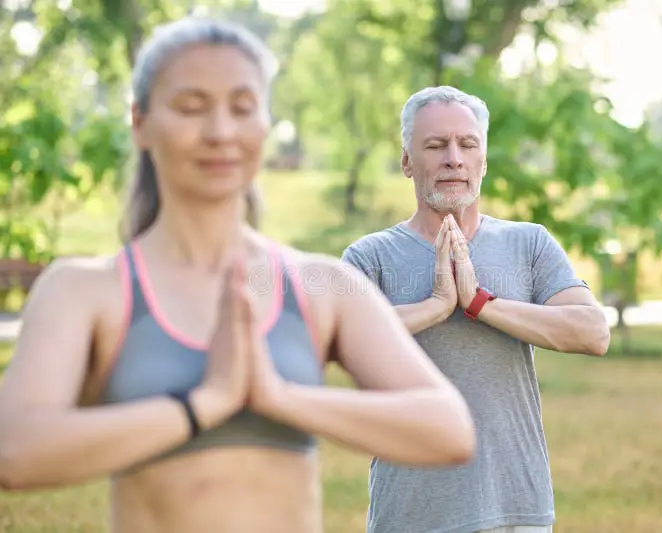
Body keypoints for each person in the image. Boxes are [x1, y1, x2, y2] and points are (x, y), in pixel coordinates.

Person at [0, 20, 477, 533]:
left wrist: (281, 397)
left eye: (242, 107)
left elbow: (448, 430)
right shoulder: (86, 291)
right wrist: (203, 404)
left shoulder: (320, 286)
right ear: (140, 122)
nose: (220, 131)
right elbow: (16, 450)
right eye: (191, 107)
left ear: (265, 126)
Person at [341, 85, 611, 533]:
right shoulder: (370, 256)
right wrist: (435, 306)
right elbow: (341, 340)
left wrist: (481, 303)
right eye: (435, 145)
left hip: (516, 513)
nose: (454, 158)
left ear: (483, 161)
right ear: (407, 161)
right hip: (412, 516)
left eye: (468, 145)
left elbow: (593, 332)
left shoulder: (529, 243)